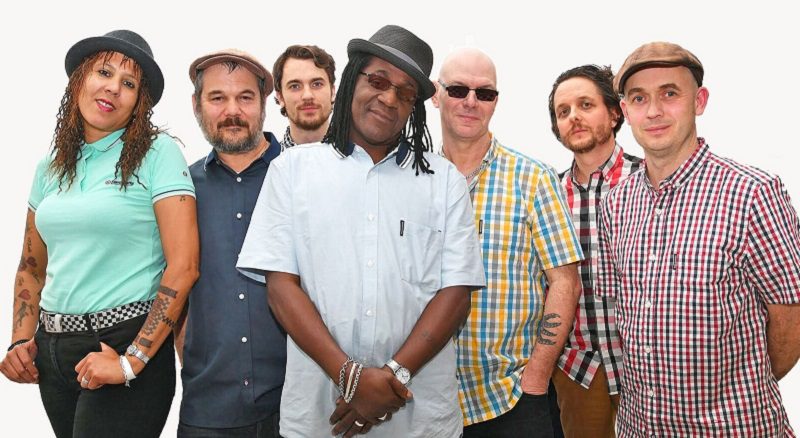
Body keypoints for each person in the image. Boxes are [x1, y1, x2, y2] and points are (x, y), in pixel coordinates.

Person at [236, 25, 486, 438]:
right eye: (379, 81)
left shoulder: (444, 181)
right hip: (319, 417)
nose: (389, 98)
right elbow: (281, 288)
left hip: (420, 420)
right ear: (352, 80)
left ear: (415, 107)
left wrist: (392, 377)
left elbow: (456, 294)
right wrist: (351, 378)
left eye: (405, 93)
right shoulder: (292, 171)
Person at [0, 29, 198, 438]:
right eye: (104, 73)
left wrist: (132, 360)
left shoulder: (158, 154)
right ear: (80, 80)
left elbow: (184, 266)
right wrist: (19, 341)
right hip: (53, 353)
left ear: (139, 102)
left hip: (123, 342)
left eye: (129, 84)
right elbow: (31, 267)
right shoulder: (49, 167)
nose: (113, 88)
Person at [597, 41, 800, 436]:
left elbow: (792, 317)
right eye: (639, 98)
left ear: (699, 101)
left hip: (733, 428)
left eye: (669, 93)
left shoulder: (752, 193)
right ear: (625, 111)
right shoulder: (616, 203)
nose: (653, 111)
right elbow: (620, 311)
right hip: (640, 427)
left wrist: (742, 387)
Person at [432, 47, 583, 437]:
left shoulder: (533, 179)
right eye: (458, 90)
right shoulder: (414, 179)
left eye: (484, 93)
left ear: (496, 102)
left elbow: (565, 282)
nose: (471, 102)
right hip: (427, 400)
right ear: (436, 95)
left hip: (512, 398)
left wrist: (536, 378)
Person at [177, 49, 285, 438]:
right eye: (217, 98)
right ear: (196, 105)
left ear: (264, 104)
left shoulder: (299, 177)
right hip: (207, 411)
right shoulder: (180, 189)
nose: (232, 111)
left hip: (296, 408)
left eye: (245, 97)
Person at [547, 64, 643, 438]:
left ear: (615, 112)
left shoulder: (650, 181)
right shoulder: (548, 195)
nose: (574, 117)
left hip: (647, 366)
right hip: (579, 370)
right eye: (563, 111)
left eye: (586, 105)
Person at [272, 44, 336, 148]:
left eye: (317, 84)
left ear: (332, 92)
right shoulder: (270, 159)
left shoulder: (360, 156)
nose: (307, 95)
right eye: (295, 86)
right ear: (280, 97)